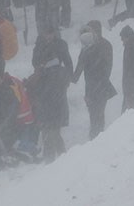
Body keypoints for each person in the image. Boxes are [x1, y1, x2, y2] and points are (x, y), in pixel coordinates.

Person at [30, 25, 73, 162]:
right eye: (46, 33)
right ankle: (59, 155)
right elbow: (34, 62)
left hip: (54, 88)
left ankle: (55, 156)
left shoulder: (60, 45)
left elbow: (68, 64)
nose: (48, 36)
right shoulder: (40, 45)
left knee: (51, 126)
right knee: (50, 126)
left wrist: (66, 80)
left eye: (50, 33)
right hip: (47, 89)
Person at [73, 21, 116, 139]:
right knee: (96, 114)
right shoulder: (101, 45)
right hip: (96, 86)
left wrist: (74, 77)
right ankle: (97, 137)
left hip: (97, 86)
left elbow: (105, 68)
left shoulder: (100, 46)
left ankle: (97, 138)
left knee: (97, 114)